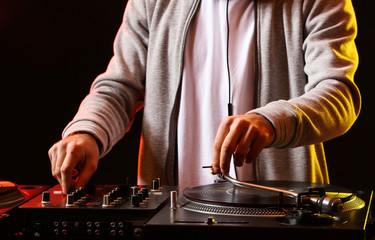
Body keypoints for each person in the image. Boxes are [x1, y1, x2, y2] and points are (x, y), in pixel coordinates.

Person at [48, 0, 361, 194]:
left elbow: (338, 95)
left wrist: (271, 121)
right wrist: (86, 132)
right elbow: (120, 87)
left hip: (281, 217)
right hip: (169, 215)